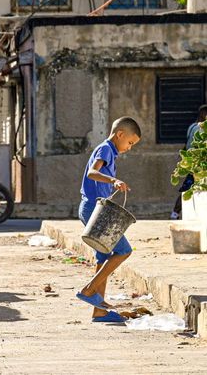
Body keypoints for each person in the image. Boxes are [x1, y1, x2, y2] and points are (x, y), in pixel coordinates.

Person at [75, 117, 141, 324]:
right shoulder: (105, 149)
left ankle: (99, 312)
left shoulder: (111, 153)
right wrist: (113, 180)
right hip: (93, 210)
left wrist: (111, 184)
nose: (129, 147)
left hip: (97, 209)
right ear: (120, 134)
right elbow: (92, 172)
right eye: (130, 142)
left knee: (103, 258)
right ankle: (88, 290)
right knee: (124, 251)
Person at [171, 104, 207, 219]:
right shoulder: (201, 129)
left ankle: (174, 214)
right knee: (188, 188)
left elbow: (187, 143)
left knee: (187, 188)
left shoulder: (192, 127)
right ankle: (175, 213)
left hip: (191, 162)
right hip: (199, 164)